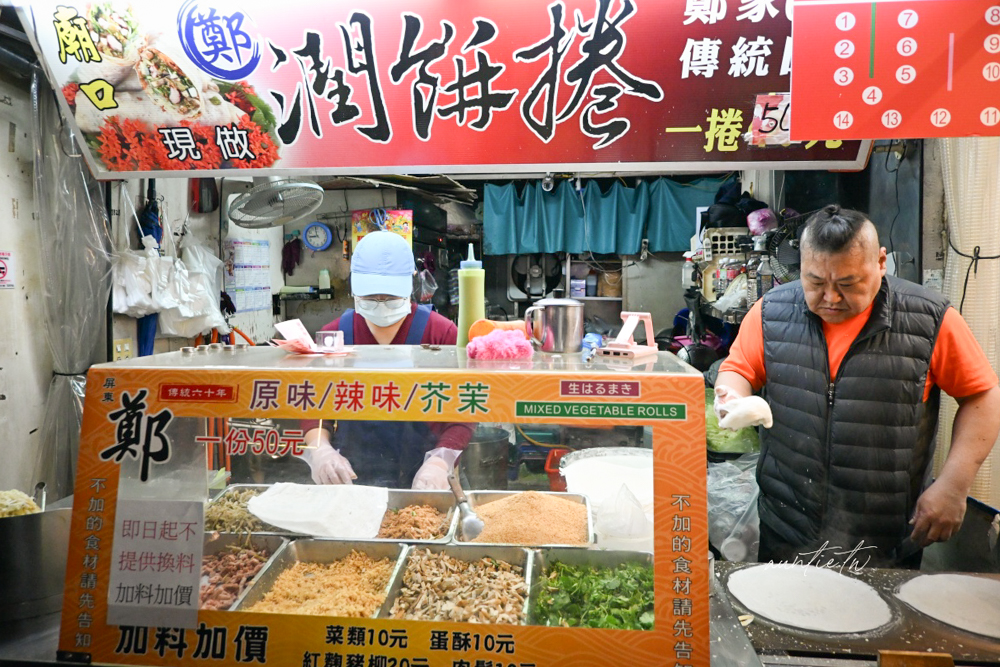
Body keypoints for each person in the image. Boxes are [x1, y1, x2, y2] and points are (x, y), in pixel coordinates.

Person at [715, 205, 1000, 568]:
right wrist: (732, 397)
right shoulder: (771, 312)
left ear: (881, 263)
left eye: (848, 284)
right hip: (787, 527)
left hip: (885, 537)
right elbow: (737, 369)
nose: (831, 298)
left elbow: (983, 396)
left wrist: (954, 484)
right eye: (815, 282)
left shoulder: (929, 318)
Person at [301, 231, 473, 489]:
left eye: (391, 298)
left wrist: (441, 461)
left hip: (427, 473)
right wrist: (320, 449)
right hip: (350, 477)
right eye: (370, 298)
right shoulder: (335, 335)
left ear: (411, 283)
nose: (380, 305)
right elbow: (313, 403)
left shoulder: (442, 333)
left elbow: (466, 407)